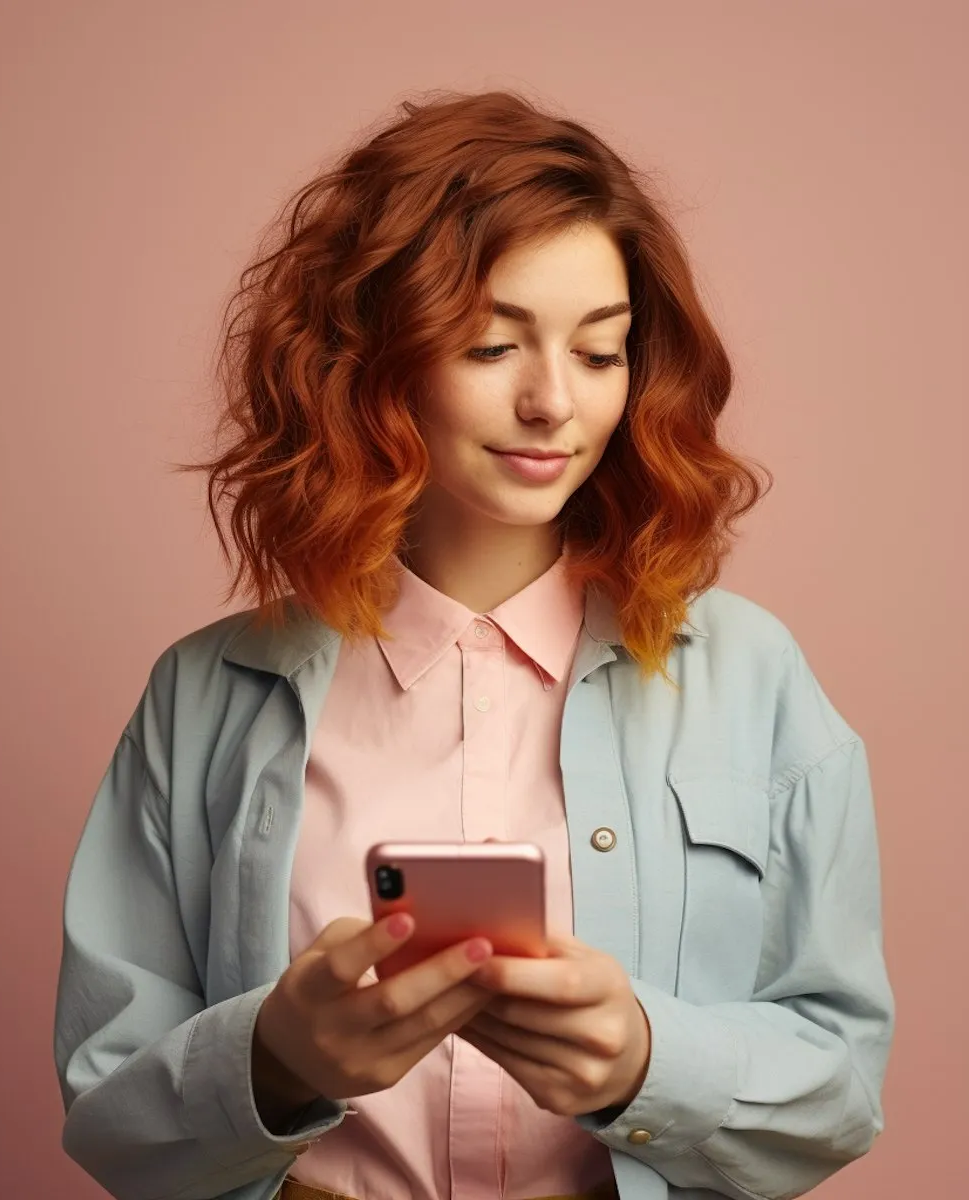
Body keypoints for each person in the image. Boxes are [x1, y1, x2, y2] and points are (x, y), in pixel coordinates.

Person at [53, 88, 895, 1200]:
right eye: (493, 344)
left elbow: (843, 1087)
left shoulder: (753, 678)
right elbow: (109, 1111)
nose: (553, 402)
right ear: (372, 355)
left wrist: (652, 1062)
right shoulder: (208, 695)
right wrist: (276, 1061)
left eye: (600, 353)